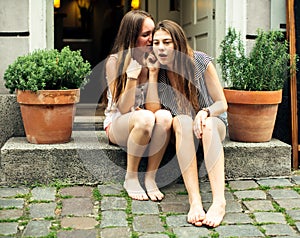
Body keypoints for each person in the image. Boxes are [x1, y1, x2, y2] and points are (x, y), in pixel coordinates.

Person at [151, 20, 228, 227]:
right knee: (183, 121)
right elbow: (154, 110)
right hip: (184, 128)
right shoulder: (160, 72)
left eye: (166, 42)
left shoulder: (201, 61)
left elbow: (222, 103)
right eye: (156, 42)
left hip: (213, 121)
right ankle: (195, 201)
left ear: (178, 43)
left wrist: (205, 112)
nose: (160, 47)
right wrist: (152, 74)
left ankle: (219, 201)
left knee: (209, 124)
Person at [103, 10, 173, 201]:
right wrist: (132, 77)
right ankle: (131, 177)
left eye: (152, 32)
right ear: (131, 36)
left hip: (144, 121)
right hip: (117, 124)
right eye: (145, 35)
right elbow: (124, 108)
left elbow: (152, 109)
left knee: (165, 116)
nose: (152, 39)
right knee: (145, 118)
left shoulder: (151, 59)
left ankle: (150, 178)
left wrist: (152, 74)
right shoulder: (114, 62)